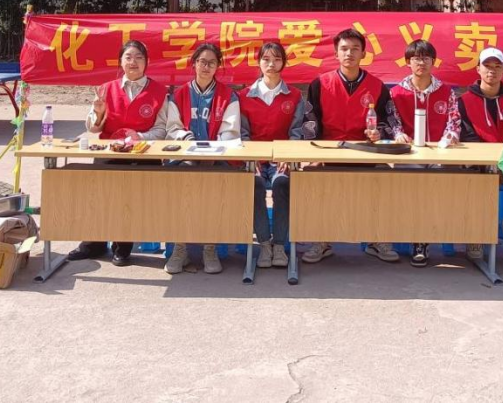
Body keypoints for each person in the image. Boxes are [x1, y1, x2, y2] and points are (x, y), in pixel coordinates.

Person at [67, 39, 169, 267]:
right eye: (128, 57)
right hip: (109, 151)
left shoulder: (160, 91)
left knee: (130, 201)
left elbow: (162, 130)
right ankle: (93, 244)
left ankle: (123, 247)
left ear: (147, 62)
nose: (133, 62)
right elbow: (93, 128)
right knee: (98, 196)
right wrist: (98, 112)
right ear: (120, 61)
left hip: (144, 154)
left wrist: (138, 137)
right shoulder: (105, 89)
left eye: (139, 58)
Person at [301, 28, 394, 264]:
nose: (349, 53)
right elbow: (310, 122)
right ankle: (321, 239)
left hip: (366, 152)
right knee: (312, 177)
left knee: (386, 179)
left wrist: (378, 133)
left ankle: (377, 238)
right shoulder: (320, 84)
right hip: (329, 151)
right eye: (344, 49)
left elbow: (389, 122)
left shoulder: (377, 86)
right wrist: (313, 153)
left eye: (355, 49)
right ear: (336, 54)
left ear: (364, 53)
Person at [385, 39, 463, 267]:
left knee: (440, 190)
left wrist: (449, 137)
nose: (421, 63)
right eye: (416, 59)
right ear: (407, 62)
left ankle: (438, 236)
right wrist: (399, 134)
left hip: (440, 155)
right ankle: (417, 239)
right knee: (413, 192)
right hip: (409, 155)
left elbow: (454, 121)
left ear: (433, 62)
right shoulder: (396, 93)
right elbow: (392, 122)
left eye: (426, 58)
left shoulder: (446, 92)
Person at [164, 42, 241, 275]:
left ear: (218, 66)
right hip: (186, 155)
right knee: (179, 185)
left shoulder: (228, 95)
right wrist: (190, 142)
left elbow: (230, 131)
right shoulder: (179, 94)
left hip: (217, 156)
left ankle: (210, 247)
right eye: (202, 62)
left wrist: (212, 151)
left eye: (211, 63)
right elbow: (173, 128)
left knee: (215, 186)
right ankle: (180, 247)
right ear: (194, 64)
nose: (206, 67)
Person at [239, 41, 305, 269]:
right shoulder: (244, 96)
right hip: (255, 160)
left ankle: (279, 246)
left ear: (284, 63)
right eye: (266, 59)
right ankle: (264, 244)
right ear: (258, 62)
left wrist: (288, 156)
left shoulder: (294, 96)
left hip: (282, 160)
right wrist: (251, 158)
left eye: (277, 59)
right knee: (254, 185)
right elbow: (242, 134)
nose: (271, 64)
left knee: (281, 184)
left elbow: (297, 132)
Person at [460, 47, 503, 262]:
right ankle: (476, 231)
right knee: (471, 179)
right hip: (477, 163)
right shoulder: (464, 100)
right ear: (478, 69)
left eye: (497, 66)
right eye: (487, 66)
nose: (492, 70)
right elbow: (467, 137)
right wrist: (488, 163)